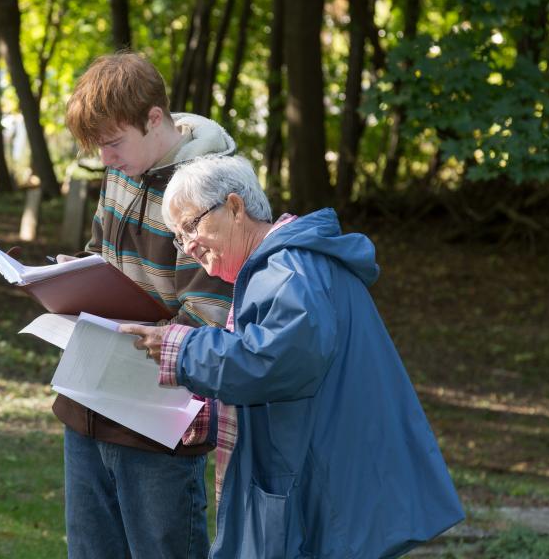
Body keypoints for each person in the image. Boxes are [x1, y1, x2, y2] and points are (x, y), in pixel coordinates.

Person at [122, 155, 465, 559]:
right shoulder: (279, 266)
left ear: (235, 207)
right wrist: (216, 413)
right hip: (321, 481)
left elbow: (275, 363)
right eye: (180, 236)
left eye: (192, 226)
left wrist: (181, 347)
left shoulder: (288, 268)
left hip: (327, 492)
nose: (189, 245)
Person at [55, 52, 237, 559]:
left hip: (158, 415)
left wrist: (135, 332)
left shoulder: (212, 189)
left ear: (154, 119)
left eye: (113, 143)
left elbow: (207, 316)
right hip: (88, 397)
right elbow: (102, 253)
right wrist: (73, 279)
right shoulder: (123, 168)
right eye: (98, 147)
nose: (106, 159)